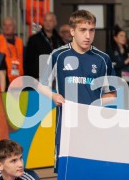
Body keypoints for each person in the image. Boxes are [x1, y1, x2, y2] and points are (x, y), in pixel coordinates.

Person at [39, 10, 115, 170]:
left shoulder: (103, 59)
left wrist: (95, 104)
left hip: (93, 126)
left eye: (92, 30)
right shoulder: (58, 55)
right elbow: (41, 85)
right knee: (65, 173)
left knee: (92, 172)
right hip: (66, 127)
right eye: (83, 30)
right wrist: (53, 96)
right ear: (72, 31)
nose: (88, 35)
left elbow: (112, 94)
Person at [24, 12, 62, 79]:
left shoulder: (58, 40)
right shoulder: (34, 39)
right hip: (38, 77)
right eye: (45, 20)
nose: (47, 23)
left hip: (55, 77)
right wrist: (32, 77)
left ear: (55, 23)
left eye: (50, 21)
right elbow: (28, 61)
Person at [0, 17, 24, 85]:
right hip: (4, 79)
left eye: (10, 25)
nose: (7, 27)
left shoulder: (19, 41)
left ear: (14, 27)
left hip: (19, 79)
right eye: (5, 25)